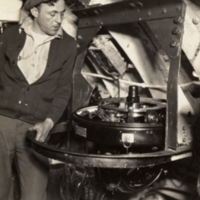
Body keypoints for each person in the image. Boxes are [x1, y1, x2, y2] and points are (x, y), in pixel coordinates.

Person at [0, 0, 77, 199]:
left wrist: (49, 123)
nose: (58, 20)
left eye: (61, 13)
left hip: (36, 129)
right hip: (2, 122)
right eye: (52, 14)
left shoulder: (68, 46)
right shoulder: (8, 36)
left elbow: (63, 90)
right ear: (34, 11)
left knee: (34, 195)